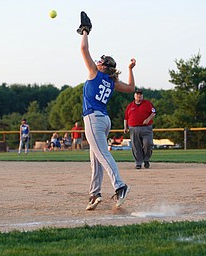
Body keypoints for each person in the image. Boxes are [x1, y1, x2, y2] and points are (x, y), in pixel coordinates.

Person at [78, 11, 136, 210]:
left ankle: (120, 186)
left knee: (102, 155)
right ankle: (94, 194)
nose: (98, 61)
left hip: (94, 119)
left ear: (103, 66)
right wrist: (130, 69)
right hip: (103, 120)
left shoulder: (95, 73)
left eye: (101, 61)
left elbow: (83, 48)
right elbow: (131, 89)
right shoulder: (111, 81)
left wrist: (85, 31)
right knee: (96, 159)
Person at [124, 89, 156, 169]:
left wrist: (148, 119)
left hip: (146, 128)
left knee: (148, 144)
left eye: (140, 94)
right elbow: (126, 118)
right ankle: (138, 162)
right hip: (133, 128)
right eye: (137, 94)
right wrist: (125, 127)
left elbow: (153, 113)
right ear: (134, 96)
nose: (139, 96)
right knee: (136, 146)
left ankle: (146, 159)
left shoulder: (147, 103)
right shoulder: (130, 106)